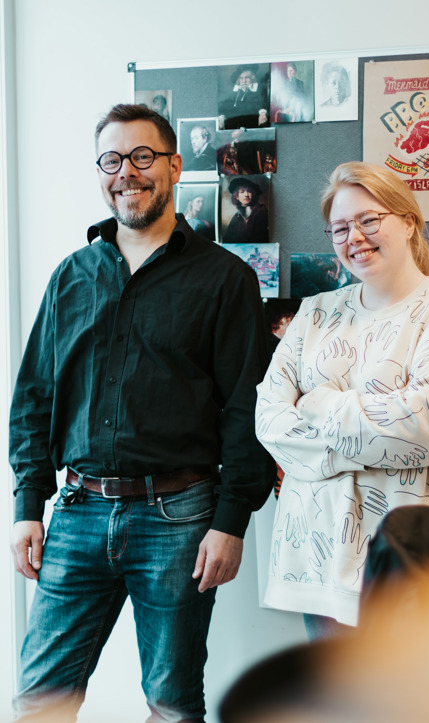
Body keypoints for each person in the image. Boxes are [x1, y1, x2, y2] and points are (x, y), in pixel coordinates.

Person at [9, 103, 275, 723]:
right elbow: (34, 397)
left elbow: (247, 408)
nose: (126, 171)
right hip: (74, 515)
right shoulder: (70, 277)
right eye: (112, 159)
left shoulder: (224, 279)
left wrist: (232, 519)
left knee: (172, 703)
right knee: (39, 700)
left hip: (181, 519)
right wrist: (27, 506)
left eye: (142, 156)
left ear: (174, 166)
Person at [255, 161, 429, 641]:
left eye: (369, 220)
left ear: (408, 222)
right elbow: (268, 418)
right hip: (317, 570)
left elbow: (425, 428)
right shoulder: (316, 313)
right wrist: (366, 436)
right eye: (340, 227)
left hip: (418, 570)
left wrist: (319, 405)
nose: (354, 237)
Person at [219, 65, 269, 130]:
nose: (244, 80)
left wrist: (262, 113)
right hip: (235, 125)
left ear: (252, 78)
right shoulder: (234, 93)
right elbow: (224, 107)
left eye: (247, 78)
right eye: (241, 78)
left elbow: (263, 104)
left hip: (252, 124)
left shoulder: (259, 91)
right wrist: (221, 116)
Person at [223, 177, 269, 245]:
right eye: (242, 192)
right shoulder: (236, 217)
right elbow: (227, 240)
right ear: (237, 196)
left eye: (249, 191)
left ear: (253, 194)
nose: (246, 195)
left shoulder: (262, 211)